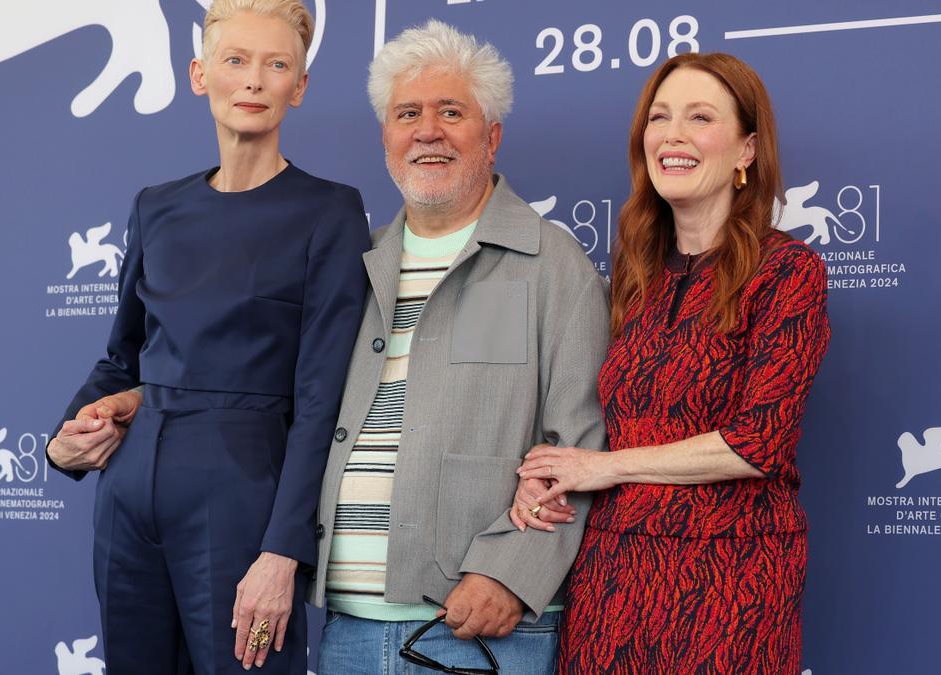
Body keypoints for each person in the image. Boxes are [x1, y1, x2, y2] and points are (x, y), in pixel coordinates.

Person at [72, 19, 609, 675]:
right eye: (407, 113)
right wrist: (123, 402)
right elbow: (257, 374)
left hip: (471, 622)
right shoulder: (365, 258)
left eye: (452, 112)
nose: (427, 130)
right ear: (386, 135)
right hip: (350, 626)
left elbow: (578, 449)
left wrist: (511, 573)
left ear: (492, 136)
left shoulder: (553, 266)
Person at [45, 1, 368, 672]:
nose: (254, 80)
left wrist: (284, 551)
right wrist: (65, 440)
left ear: (299, 86)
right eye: (236, 61)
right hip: (129, 497)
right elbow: (119, 358)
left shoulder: (329, 211)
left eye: (277, 64)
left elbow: (321, 404)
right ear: (199, 75)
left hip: (245, 490)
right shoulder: (156, 206)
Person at [509, 52, 831, 673]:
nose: (672, 135)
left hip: (731, 580)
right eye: (659, 118)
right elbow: (587, 417)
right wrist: (547, 474)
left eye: (700, 117)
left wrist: (603, 467)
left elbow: (758, 443)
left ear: (747, 150)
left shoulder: (789, 272)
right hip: (611, 580)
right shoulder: (632, 278)